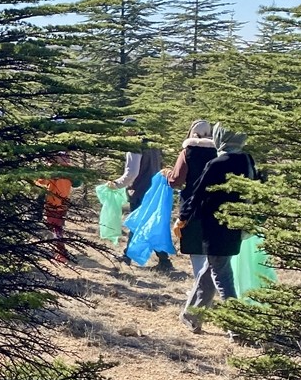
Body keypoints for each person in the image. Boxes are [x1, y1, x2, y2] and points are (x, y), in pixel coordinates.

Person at [177, 123, 258, 334]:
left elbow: (198, 194)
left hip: (214, 228)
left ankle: (235, 327)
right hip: (237, 227)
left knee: (222, 276)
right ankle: (191, 315)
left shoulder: (216, 163)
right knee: (211, 268)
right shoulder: (247, 160)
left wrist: (182, 218)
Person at [108, 122, 173, 273]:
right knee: (150, 224)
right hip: (154, 191)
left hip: (140, 191)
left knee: (137, 224)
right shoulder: (153, 145)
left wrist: (116, 184)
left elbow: (131, 174)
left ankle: (128, 256)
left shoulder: (134, 147)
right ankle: (164, 261)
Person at [163, 120, 218, 285]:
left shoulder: (188, 152)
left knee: (196, 249)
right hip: (215, 205)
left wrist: (167, 174)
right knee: (213, 251)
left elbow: (176, 180)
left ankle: (200, 290)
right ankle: (211, 287)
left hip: (191, 206)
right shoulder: (218, 153)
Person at [36, 153, 74, 263]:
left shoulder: (52, 170)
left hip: (52, 203)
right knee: (57, 227)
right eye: (65, 156)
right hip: (64, 202)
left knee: (55, 228)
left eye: (67, 156)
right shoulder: (71, 170)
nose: (67, 158)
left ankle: (61, 254)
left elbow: (40, 183)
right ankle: (59, 251)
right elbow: (76, 183)